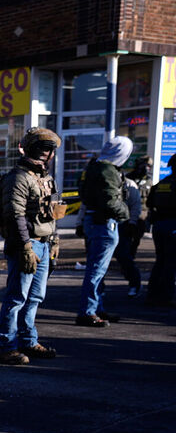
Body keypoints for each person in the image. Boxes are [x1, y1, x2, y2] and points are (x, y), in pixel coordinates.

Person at [0, 127, 63, 365]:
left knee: (35, 298)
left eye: (50, 150)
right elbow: (14, 215)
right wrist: (25, 247)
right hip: (26, 244)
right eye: (43, 148)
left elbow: (52, 213)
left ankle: (28, 341)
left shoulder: (45, 178)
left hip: (43, 243)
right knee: (16, 298)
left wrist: (53, 240)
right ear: (31, 148)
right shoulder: (18, 177)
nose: (47, 154)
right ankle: (7, 346)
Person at [76, 136, 132, 327]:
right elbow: (109, 200)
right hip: (104, 223)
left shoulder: (93, 167)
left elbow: (85, 193)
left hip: (94, 221)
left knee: (97, 269)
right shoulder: (107, 170)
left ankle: (96, 308)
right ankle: (88, 311)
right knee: (96, 270)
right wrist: (125, 213)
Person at [145, 153, 176, 308]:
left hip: (159, 226)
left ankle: (152, 294)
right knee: (171, 263)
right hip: (172, 226)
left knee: (160, 261)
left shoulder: (161, 183)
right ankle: (166, 296)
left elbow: (149, 203)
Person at [116, 156, 150, 297]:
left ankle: (134, 283)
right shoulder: (126, 178)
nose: (145, 168)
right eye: (143, 165)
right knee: (123, 255)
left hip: (134, 220)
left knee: (127, 254)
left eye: (147, 165)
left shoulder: (140, 182)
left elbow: (137, 204)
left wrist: (133, 222)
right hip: (115, 223)